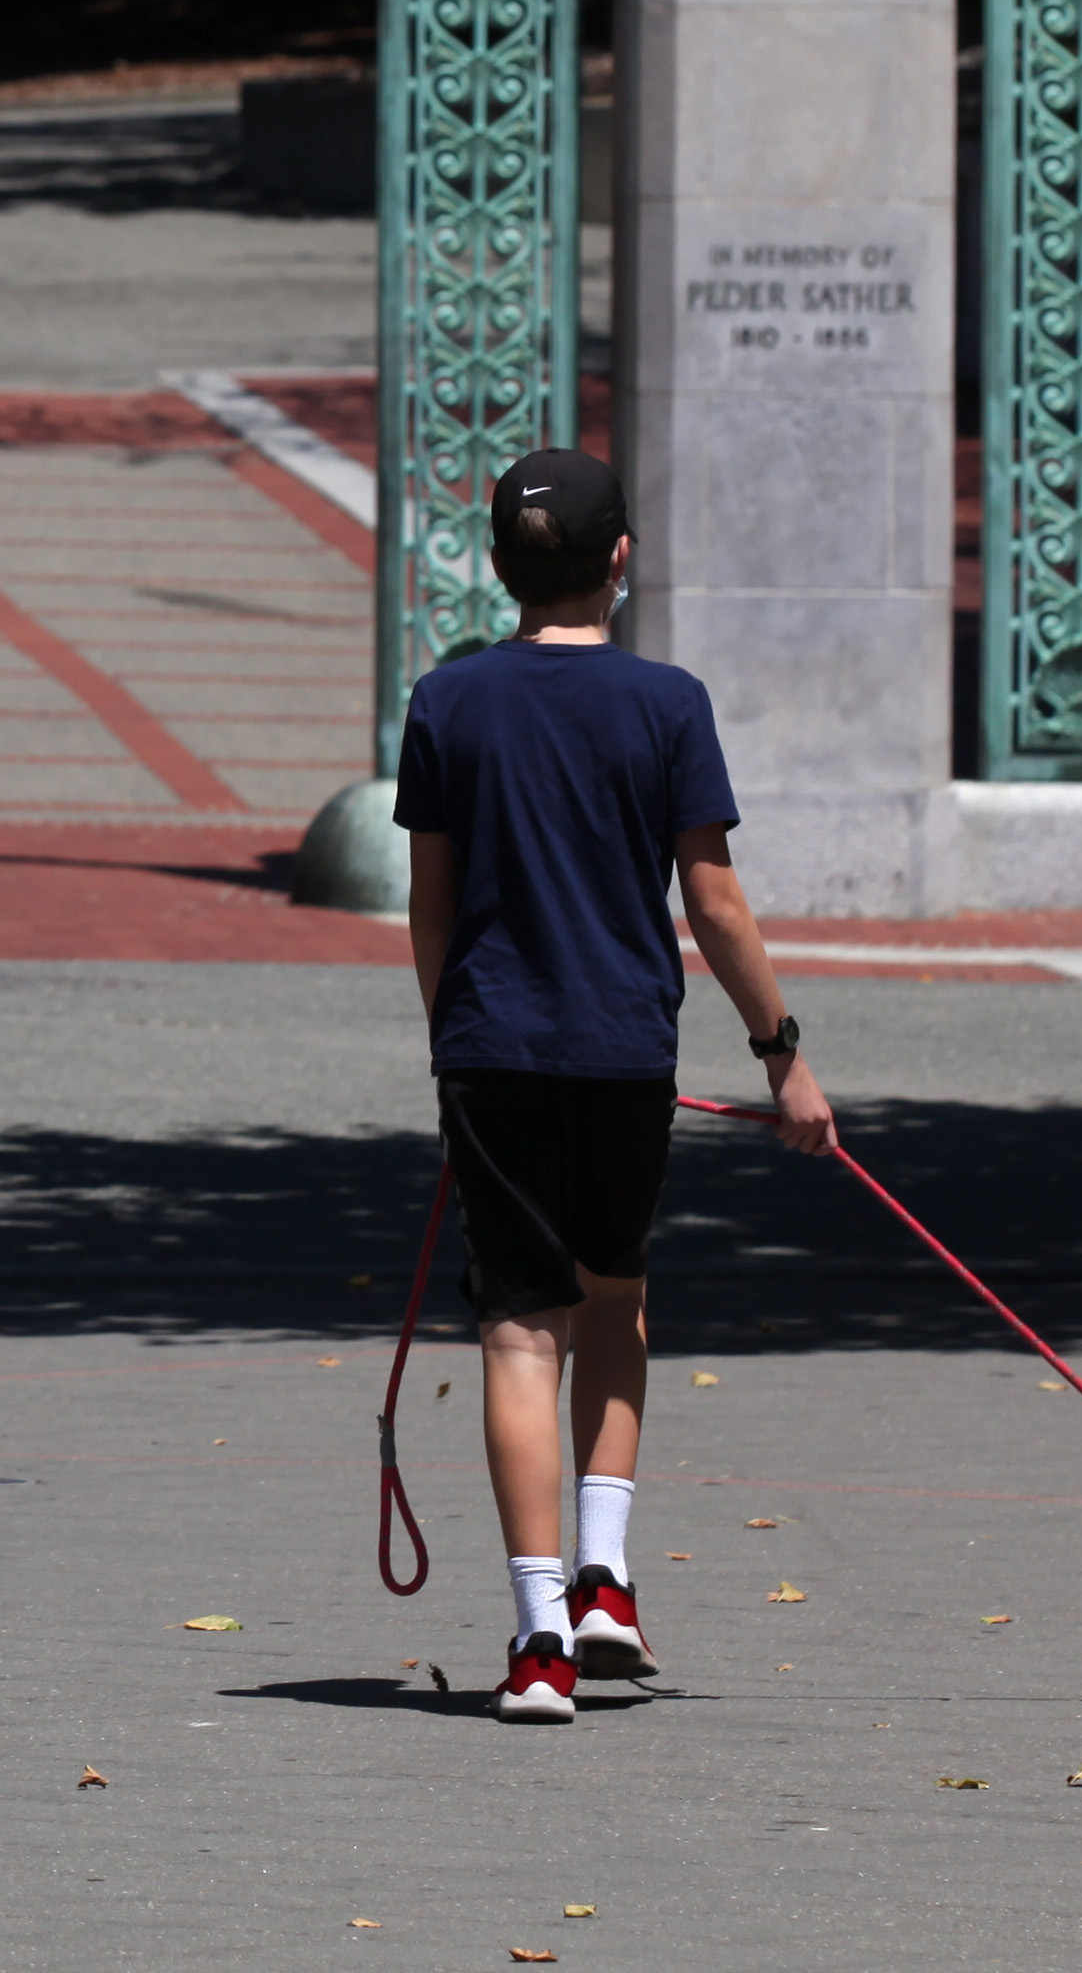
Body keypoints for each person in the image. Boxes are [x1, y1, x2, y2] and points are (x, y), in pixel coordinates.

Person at [394, 445, 838, 1724]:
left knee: (518, 1332)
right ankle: (607, 1582)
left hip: (491, 1052)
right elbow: (715, 903)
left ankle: (539, 1642)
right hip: (625, 1053)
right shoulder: (668, 704)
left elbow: (432, 909)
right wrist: (783, 1053)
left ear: (498, 566)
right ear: (621, 562)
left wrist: (458, 1050)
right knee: (615, 1302)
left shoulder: (448, 700)